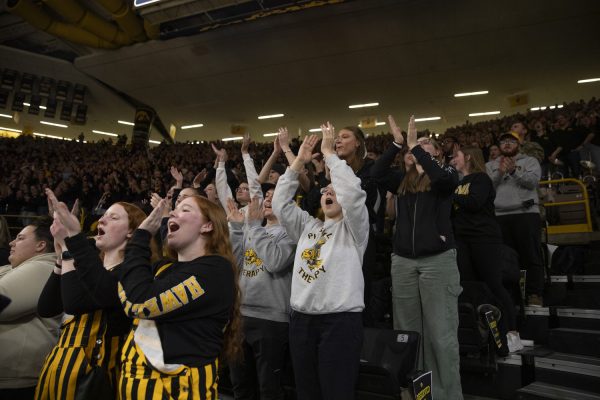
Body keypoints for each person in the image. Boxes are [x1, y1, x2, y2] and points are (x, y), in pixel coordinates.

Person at [272, 124, 369, 400]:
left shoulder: (355, 230)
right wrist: (298, 163)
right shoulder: (307, 226)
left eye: (334, 192)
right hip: (301, 321)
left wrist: (329, 154)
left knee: (336, 393)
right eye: (326, 190)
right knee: (307, 393)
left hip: (339, 323)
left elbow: (352, 191)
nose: (329, 193)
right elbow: (280, 204)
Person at [371, 115, 463, 399]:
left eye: (425, 145)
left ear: (435, 153)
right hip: (403, 262)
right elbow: (375, 174)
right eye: (414, 147)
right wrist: (397, 144)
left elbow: (441, 178)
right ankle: (416, 393)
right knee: (408, 334)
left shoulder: (444, 176)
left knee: (441, 334)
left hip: (437, 261)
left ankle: (446, 394)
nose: (416, 148)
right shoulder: (401, 180)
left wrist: (416, 145)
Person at [114, 195, 241, 399]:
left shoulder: (216, 270)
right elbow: (127, 285)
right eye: (175, 208)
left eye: (185, 209)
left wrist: (141, 236)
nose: (172, 212)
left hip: (179, 390)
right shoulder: (163, 268)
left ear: (207, 226)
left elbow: (138, 303)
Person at [36, 191, 153, 400]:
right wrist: (60, 258)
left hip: (93, 378)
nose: (102, 219)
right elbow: (47, 308)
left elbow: (74, 304)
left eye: (113, 217)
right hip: (57, 368)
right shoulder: (88, 266)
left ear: (131, 232)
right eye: (104, 215)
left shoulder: (131, 274)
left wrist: (68, 245)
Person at [451, 146, 523, 353]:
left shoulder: (480, 178)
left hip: (484, 238)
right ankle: (484, 333)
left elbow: (474, 202)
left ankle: (513, 332)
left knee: (493, 284)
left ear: (469, 157)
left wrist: (450, 194)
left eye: (457, 155)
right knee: (472, 286)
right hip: (463, 239)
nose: (453, 159)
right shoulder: (457, 183)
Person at [226, 189, 295, 400]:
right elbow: (234, 266)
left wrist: (253, 227)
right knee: (240, 386)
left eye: (275, 196)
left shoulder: (291, 233)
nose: (267, 199)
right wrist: (237, 230)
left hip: (271, 319)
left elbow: (275, 261)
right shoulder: (253, 229)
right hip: (242, 315)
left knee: (269, 389)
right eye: (266, 195)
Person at [0, 218, 60, 400]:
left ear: (41, 245)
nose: (11, 242)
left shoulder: (43, 267)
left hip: (17, 381)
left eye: (20, 238)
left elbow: (3, 304)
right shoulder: (16, 267)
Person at [486, 131, 544, 307]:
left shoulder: (530, 161)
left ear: (519, 144)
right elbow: (488, 189)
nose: (507, 144)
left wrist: (513, 171)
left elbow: (532, 182)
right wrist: (499, 173)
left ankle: (535, 294)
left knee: (531, 255)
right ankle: (511, 295)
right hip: (500, 216)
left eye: (511, 141)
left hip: (526, 214)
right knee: (505, 259)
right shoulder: (490, 165)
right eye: (503, 141)